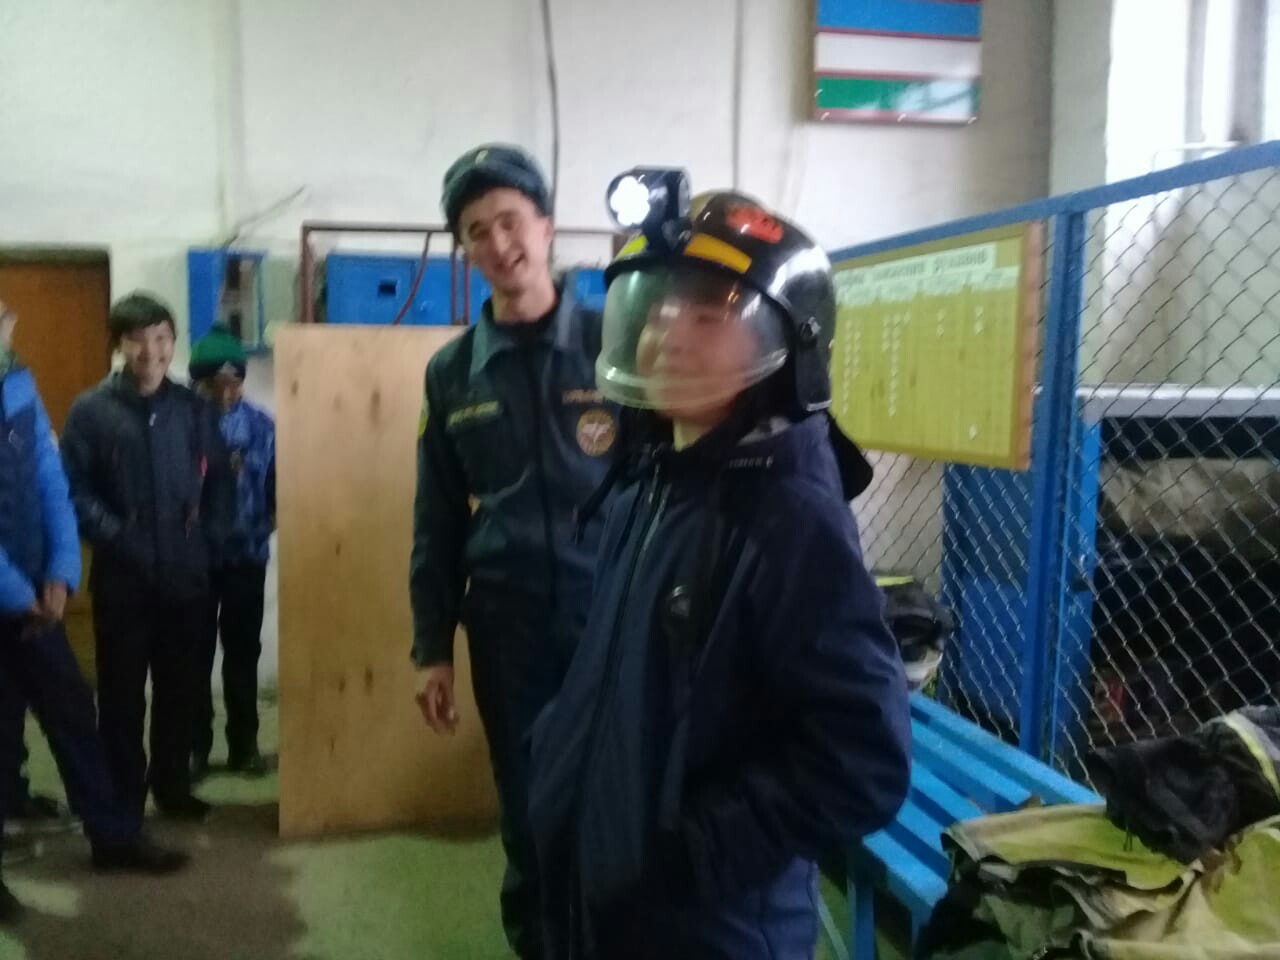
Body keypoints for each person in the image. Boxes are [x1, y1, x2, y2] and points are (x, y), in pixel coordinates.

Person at [526, 184, 913, 958]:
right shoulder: (653, 479)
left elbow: (862, 760)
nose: (668, 334)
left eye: (706, 315)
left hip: (711, 928)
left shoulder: (788, 518)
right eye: (657, 310)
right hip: (614, 900)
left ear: (785, 343)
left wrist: (694, 850)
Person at [409, 144, 619, 960]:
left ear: (546, 226)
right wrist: (432, 647)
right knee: (529, 806)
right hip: (507, 627)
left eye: (509, 221)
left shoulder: (613, 343)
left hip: (611, 615)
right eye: (476, 231)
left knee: (617, 795)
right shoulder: (453, 372)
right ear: (465, 251)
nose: (498, 243)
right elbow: (436, 518)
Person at [0, 299, 187, 923]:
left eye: (4, 314)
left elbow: (50, 480)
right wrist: (20, 593)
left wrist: (60, 571)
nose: (6, 323)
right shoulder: (91, 407)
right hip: (17, 595)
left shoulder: (16, 381)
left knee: (74, 712)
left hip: (36, 596)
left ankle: (113, 837)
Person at [61, 292, 235, 823]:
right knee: (121, 695)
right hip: (124, 576)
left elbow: (220, 481)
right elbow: (74, 490)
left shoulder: (193, 409)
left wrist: (209, 543)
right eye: (137, 339)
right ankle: (123, 795)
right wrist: (117, 534)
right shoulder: (91, 411)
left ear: (173, 343)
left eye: (161, 338)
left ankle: (172, 786)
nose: (150, 351)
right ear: (119, 345)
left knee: (180, 689)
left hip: (186, 576)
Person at [188, 324, 275, 781]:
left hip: (246, 559)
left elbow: (278, 487)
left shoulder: (262, 426)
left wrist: (265, 524)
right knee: (193, 654)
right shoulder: (181, 423)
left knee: (243, 654)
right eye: (213, 384)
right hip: (193, 561)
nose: (224, 394)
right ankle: (195, 748)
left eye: (233, 383)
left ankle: (244, 746)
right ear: (196, 382)